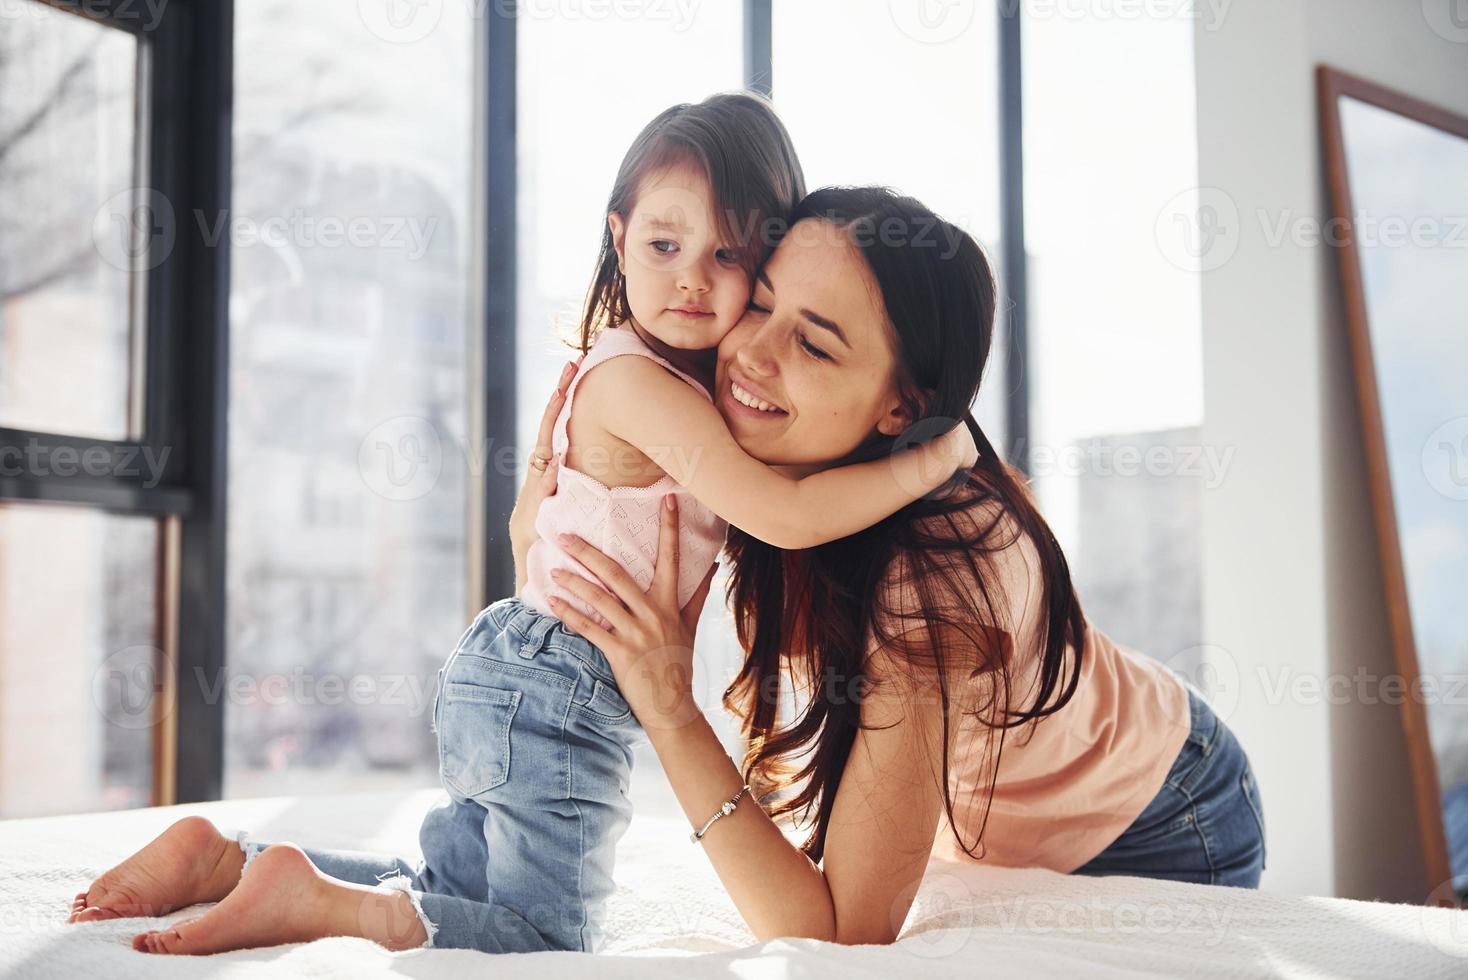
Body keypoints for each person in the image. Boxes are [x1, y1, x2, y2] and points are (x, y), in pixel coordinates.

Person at [66, 98, 974, 956]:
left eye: (731, 258)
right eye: (666, 244)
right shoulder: (640, 386)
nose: (696, 280)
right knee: (545, 936)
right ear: (618, 238)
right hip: (561, 687)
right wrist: (932, 461)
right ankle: (320, 903)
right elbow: (782, 515)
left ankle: (230, 863)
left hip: (520, 666)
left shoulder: (655, 382)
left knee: (453, 881)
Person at [535, 186, 1268, 946]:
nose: (752, 352)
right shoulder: (754, 457)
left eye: (815, 345)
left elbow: (846, 934)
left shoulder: (941, 575)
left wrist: (672, 712)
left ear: (900, 408)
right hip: (1000, 803)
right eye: (758, 303)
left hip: (1165, 815)